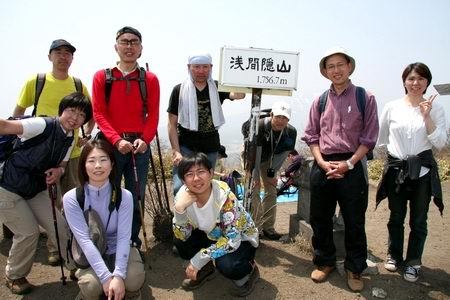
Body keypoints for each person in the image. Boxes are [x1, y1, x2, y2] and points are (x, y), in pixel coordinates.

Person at [7, 39, 93, 265]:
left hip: (68, 154)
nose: (63, 57)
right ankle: (53, 249)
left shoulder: (77, 84)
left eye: (68, 54)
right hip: (36, 152)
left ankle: (69, 248)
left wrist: (84, 138)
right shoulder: (37, 81)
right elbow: (17, 115)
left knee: (71, 202)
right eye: (59, 53)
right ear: (50, 56)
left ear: (72, 59)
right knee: (48, 201)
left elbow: (89, 112)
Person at [301, 47, 379, 292]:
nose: (336, 70)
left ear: (349, 67)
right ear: (325, 71)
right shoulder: (319, 100)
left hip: (352, 164)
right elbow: (311, 136)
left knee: (354, 220)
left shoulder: (364, 98)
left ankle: (355, 268)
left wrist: (349, 164)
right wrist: (322, 162)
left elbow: (369, 138)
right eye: (330, 66)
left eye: (340, 65)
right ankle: (325, 262)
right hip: (323, 163)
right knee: (320, 217)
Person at [0, 92, 92, 295]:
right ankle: (14, 275)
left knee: (59, 225)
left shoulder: (70, 137)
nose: (75, 118)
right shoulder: (42, 125)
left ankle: (74, 265)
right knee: (28, 231)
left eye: (81, 115)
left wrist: (58, 171)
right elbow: (5, 127)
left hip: (35, 188)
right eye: (71, 111)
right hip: (7, 187)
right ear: (62, 110)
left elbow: (62, 164)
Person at [375, 62, 447, 283]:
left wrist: (426, 117)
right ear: (404, 81)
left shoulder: (436, 108)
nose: (416, 83)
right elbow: (382, 138)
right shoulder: (392, 106)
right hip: (397, 170)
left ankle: (414, 262)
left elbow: (441, 143)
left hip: (423, 172)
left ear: (427, 83)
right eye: (411, 79)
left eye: (421, 79)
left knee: (419, 219)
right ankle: (394, 255)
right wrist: (387, 162)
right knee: (395, 216)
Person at [92, 26, 160, 248]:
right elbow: (99, 113)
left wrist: (146, 139)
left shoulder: (149, 79)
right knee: (106, 195)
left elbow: (153, 114)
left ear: (140, 49)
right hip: (109, 146)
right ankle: (105, 239)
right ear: (116, 47)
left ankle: (130, 240)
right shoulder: (102, 77)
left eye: (134, 42)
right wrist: (116, 140)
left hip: (139, 147)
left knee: (135, 196)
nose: (129, 46)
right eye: (124, 41)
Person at [63, 139, 145, 299]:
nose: (98, 166)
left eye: (103, 160)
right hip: (91, 250)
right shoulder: (72, 198)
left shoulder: (124, 196)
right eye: (91, 161)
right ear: (83, 166)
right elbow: (85, 241)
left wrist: (119, 276)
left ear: (112, 164)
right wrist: (106, 278)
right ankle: (90, 293)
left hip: (118, 248)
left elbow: (123, 238)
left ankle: (130, 292)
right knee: (92, 287)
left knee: (134, 280)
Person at [172, 153, 259, 297]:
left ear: (211, 173)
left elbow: (232, 241)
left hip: (240, 239)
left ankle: (250, 270)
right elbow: (182, 234)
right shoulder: (182, 196)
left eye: (201, 172)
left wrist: (198, 258)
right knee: (180, 241)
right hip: (212, 234)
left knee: (227, 265)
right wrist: (179, 210)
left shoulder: (225, 198)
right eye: (189, 174)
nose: (196, 178)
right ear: (183, 180)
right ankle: (205, 270)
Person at [167, 53, 245, 195]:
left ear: (211, 68)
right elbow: (171, 123)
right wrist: (176, 151)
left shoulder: (217, 87)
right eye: (196, 67)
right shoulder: (179, 89)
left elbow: (239, 95)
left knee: (205, 188)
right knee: (180, 188)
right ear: (189, 67)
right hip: (186, 145)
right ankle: (182, 217)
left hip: (210, 146)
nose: (201, 71)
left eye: (205, 67)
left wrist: (236, 76)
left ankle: (202, 218)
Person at [248, 101, 297, 240]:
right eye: (278, 117)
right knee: (254, 191)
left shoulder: (290, 132)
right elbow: (252, 154)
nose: (281, 121)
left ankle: (268, 228)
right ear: (271, 115)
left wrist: (272, 172)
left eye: (285, 118)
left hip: (271, 158)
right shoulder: (259, 127)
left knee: (271, 190)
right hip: (252, 157)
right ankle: (255, 229)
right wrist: (254, 175)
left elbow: (284, 152)